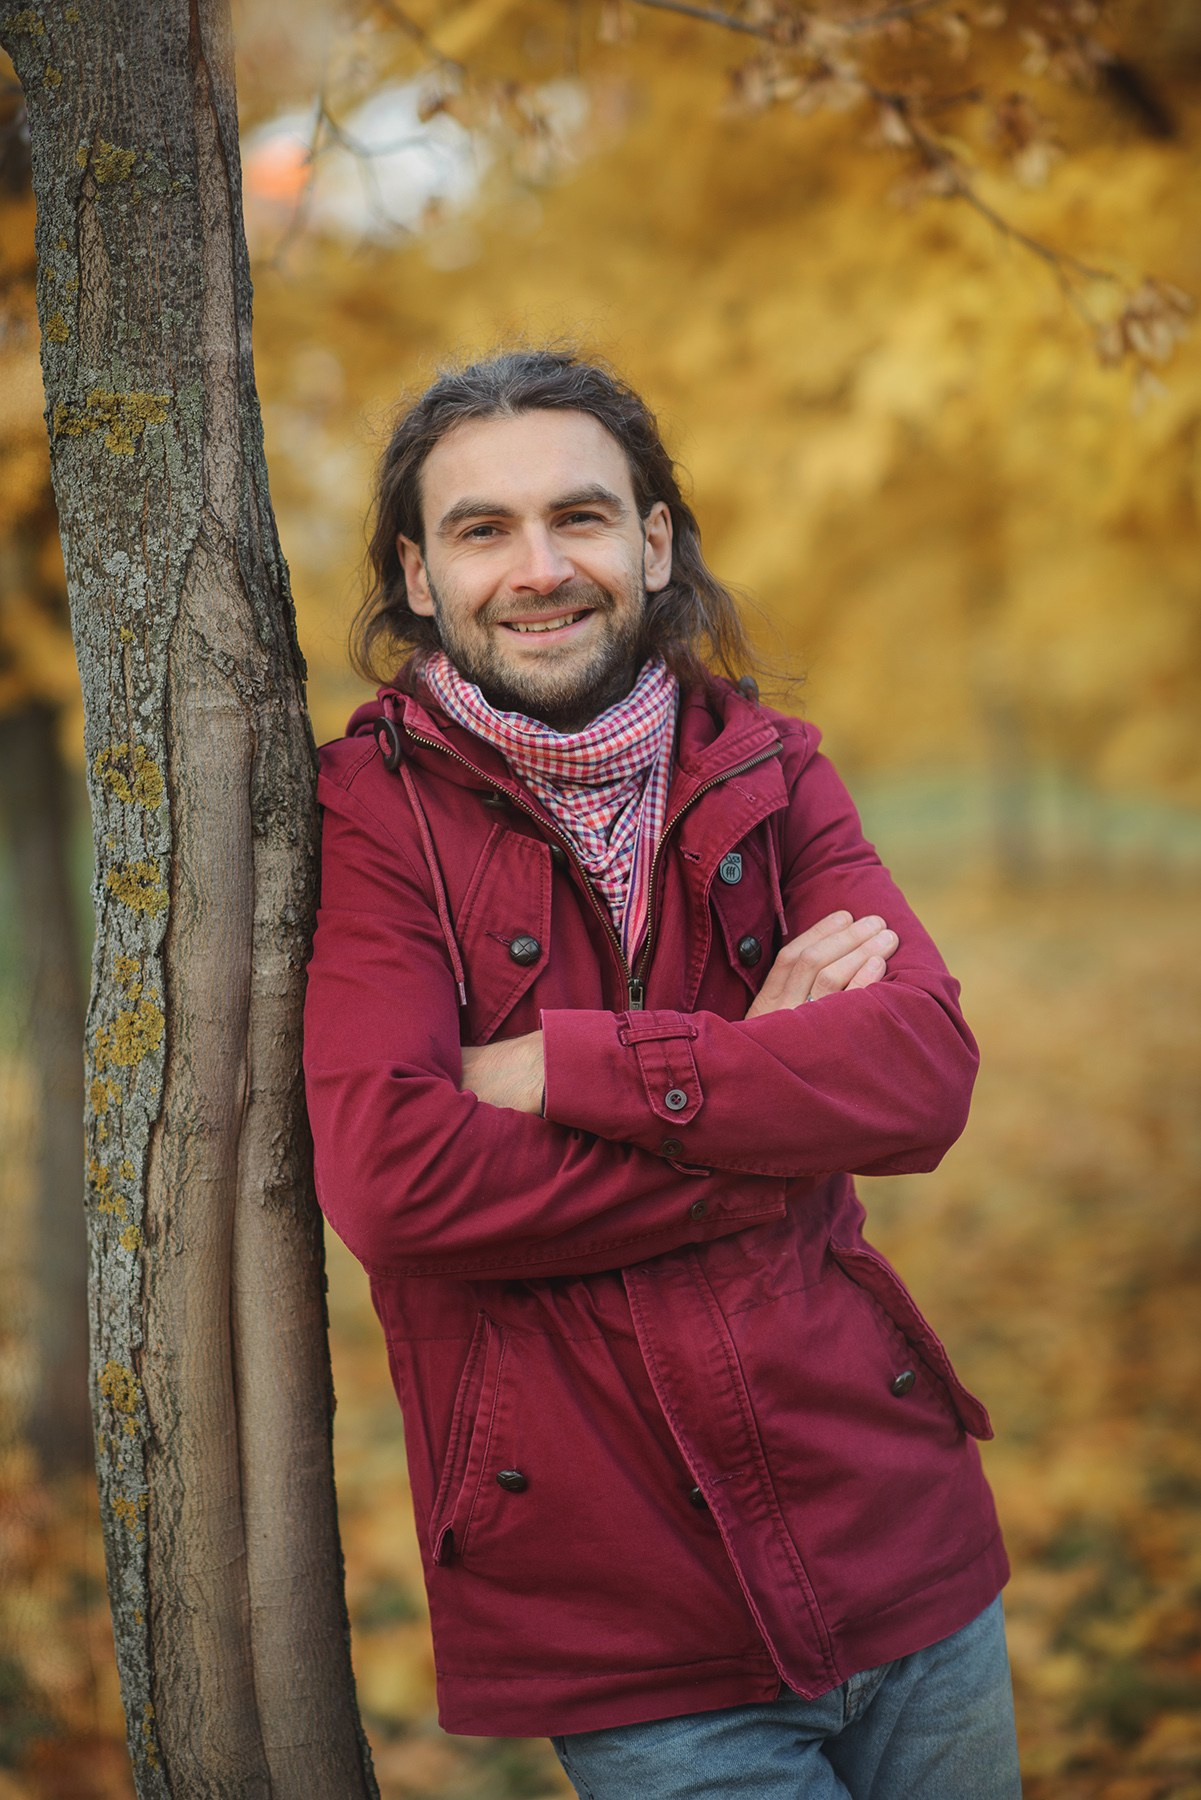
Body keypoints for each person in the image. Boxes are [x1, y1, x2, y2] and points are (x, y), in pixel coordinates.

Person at [303, 348, 1020, 1799]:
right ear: (419, 573)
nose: (537, 566)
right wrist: (765, 1093)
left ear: (653, 540)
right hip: (626, 1617)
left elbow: (923, 1075)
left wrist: (565, 1066)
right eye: (482, 528)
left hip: (902, 1545)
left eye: (578, 516)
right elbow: (396, 1185)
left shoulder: (769, 765)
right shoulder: (367, 815)